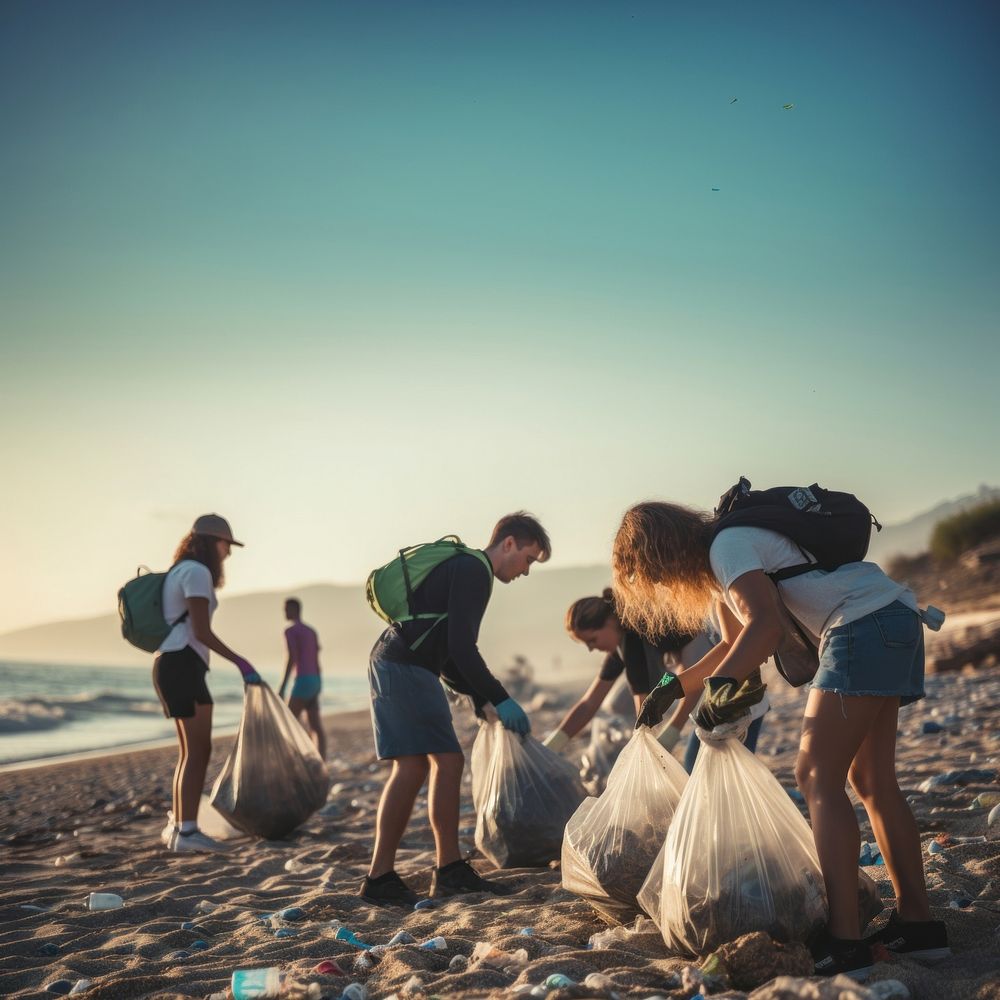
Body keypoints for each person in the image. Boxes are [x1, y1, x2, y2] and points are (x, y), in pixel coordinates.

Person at [612, 500, 949, 979]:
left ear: (661, 553)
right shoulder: (727, 559)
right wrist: (676, 687)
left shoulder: (727, 547)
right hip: (890, 616)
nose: (662, 587)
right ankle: (919, 928)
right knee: (873, 780)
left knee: (816, 777)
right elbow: (734, 644)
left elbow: (765, 627)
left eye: (654, 575)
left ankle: (845, 940)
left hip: (858, 627)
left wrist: (720, 690)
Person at [361, 512, 551, 906]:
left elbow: (447, 650)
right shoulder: (474, 570)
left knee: (418, 765)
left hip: (396, 662)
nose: (526, 571)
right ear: (509, 543)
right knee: (443, 762)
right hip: (406, 667)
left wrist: (477, 697)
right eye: (529, 559)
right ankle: (442, 871)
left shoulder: (465, 567)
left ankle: (390, 875)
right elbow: (463, 648)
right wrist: (499, 697)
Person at [153, 513, 261, 853]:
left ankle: (179, 827)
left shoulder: (180, 570)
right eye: (226, 544)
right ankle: (186, 831)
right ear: (212, 542)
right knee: (198, 750)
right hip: (183, 662)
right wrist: (240, 661)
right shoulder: (198, 573)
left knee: (190, 751)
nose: (228, 552)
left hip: (173, 663)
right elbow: (201, 631)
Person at [542, 588, 715, 754]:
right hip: (673, 661)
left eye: (592, 640)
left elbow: (646, 701)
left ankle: (674, 730)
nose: (591, 649)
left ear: (609, 622)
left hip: (702, 638)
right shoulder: (618, 643)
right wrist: (552, 744)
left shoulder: (633, 641)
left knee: (694, 708)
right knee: (616, 704)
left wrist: (669, 733)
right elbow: (589, 702)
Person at [278, 598, 327, 760]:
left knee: (288, 722)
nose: (284, 612)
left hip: (303, 680)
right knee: (315, 726)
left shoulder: (290, 631)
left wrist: (282, 686)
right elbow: (316, 658)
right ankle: (321, 761)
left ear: (294, 609)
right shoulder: (311, 631)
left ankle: (294, 762)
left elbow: (291, 657)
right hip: (315, 680)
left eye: (286, 609)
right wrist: (319, 682)